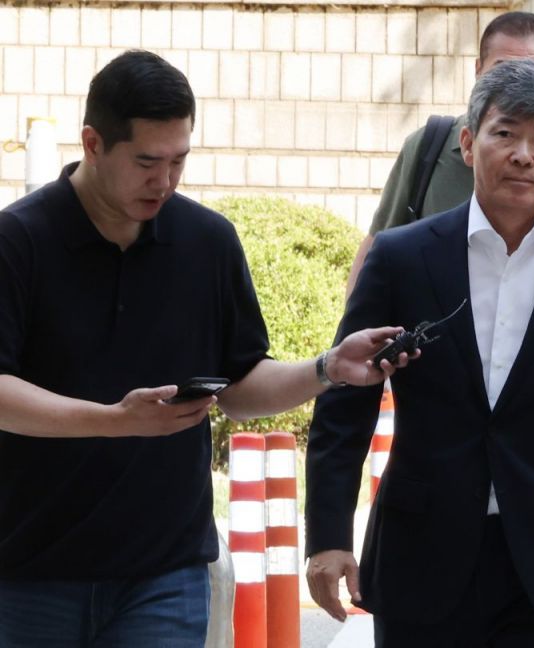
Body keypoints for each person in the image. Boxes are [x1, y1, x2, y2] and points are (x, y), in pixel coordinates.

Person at [0, 50, 411, 647]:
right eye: (147, 162)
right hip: (29, 574)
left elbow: (240, 388)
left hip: (165, 574)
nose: (165, 181)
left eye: (179, 160)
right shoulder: (18, 240)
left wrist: (327, 369)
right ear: (92, 144)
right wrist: (114, 421)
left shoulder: (207, 241)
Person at [305, 58, 534, 648]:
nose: (523, 155)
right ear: (469, 144)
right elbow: (347, 402)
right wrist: (328, 536)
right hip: (418, 554)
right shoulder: (401, 257)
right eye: (506, 133)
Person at [345, 10, 534, 299]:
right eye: (502, 71)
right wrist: (354, 322)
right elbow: (377, 247)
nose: (518, 86)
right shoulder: (427, 147)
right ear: (478, 70)